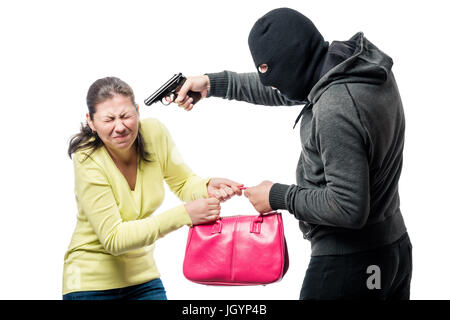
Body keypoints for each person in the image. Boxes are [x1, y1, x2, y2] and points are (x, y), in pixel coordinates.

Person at [173, 7, 413, 300]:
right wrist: (212, 84)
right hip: (392, 251)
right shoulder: (358, 69)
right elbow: (293, 87)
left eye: (274, 78)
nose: (275, 88)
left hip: (349, 264)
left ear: (293, 67)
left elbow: (349, 207)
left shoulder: (336, 107)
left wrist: (277, 196)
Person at [63, 76, 243, 300]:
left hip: (144, 279)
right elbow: (114, 238)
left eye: (126, 116)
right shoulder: (87, 158)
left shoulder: (154, 132)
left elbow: (183, 182)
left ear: (137, 111)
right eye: (108, 119)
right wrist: (185, 214)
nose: (120, 127)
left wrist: (206, 186)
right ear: (91, 121)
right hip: (90, 285)